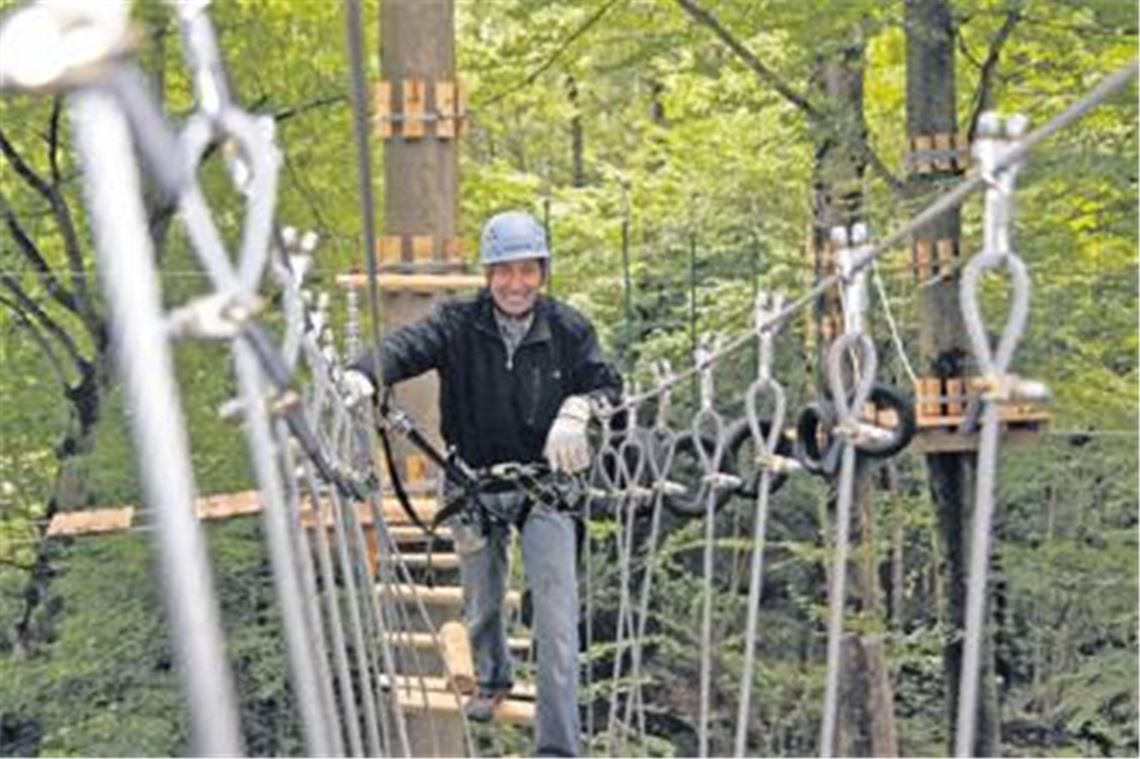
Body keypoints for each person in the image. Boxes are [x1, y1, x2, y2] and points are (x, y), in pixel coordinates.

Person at [346, 210, 622, 757]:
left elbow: (611, 385)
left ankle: (557, 748)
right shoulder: (458, 324)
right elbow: (408, 346)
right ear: (488, 274)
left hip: (547, 491)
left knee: (559, 618)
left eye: (527, 271)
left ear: (541, 273)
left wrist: (582, 406)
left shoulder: (568, 329)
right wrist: (363, 371)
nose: (516, 284)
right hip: (474, 485)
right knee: (484, 604)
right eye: (504, 272)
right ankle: (493, 677)